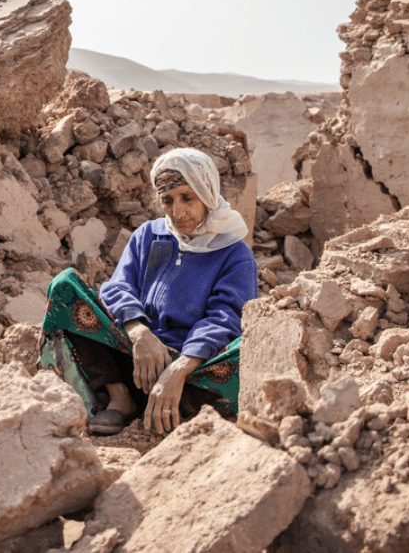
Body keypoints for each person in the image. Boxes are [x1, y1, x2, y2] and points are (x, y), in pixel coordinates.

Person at [39, 147, 258, 434]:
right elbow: (119, 287)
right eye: (167, 200)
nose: (177, 212)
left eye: (187, 197)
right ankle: (120, 397)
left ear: (207, 193)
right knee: (65, 285)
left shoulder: (235, 253)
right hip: (133, 359)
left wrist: (177, 370)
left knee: (250, 349)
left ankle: (179, 408)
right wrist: (139, 332)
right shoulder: (149, 235)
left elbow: (225, 318)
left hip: (192, 373)